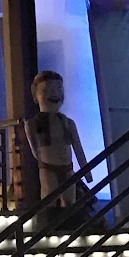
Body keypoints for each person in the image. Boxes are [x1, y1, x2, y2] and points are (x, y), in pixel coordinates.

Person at [24, 70, 92, 212]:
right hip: (48, 167)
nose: (54, 93)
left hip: (67, 168)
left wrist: (87, 172)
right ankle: (50, 223)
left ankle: (68, 223)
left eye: (59, 89)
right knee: (49, 201)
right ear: (35, 94)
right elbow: (34, 148)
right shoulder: (33, 123)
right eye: (47, 89)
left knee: (69, 202)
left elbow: (78, 148)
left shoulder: (68, 123)